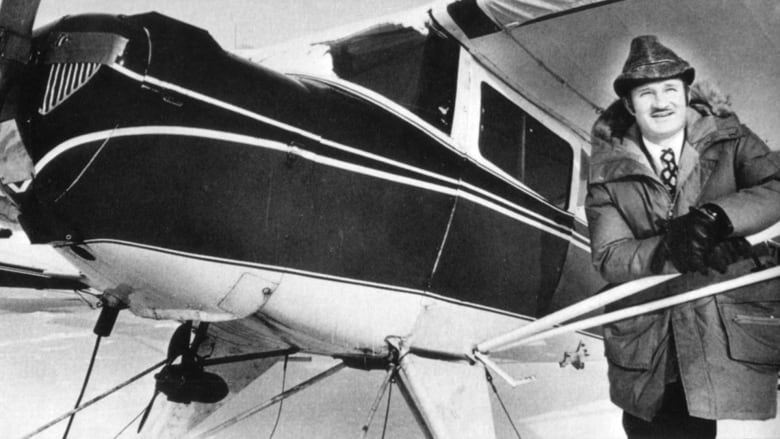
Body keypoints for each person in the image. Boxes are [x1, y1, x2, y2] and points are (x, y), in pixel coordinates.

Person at [585, 35, 780, 439]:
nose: (661, 103)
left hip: (722, 333)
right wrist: (672, 247)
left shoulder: (732, 139)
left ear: (686, 93)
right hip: (650, 344)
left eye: (671, 89)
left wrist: (718, 217)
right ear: (629, 105)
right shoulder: (606, 172)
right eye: (647, 93)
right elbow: (609, 256)